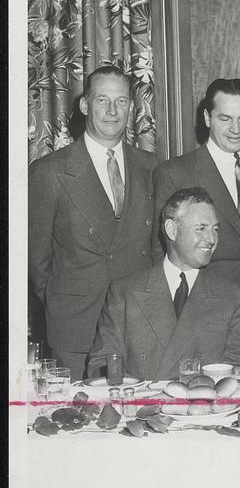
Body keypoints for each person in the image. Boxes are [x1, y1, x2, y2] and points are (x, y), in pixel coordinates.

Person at [28, 65, 158, 381]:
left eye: (122, 101)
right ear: (85, 105)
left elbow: (156, 249)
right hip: (76, 330)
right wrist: (64, 302)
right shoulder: (51, 171)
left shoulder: (152, 167)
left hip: (137, 325)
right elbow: (36, 260)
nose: (113, 111)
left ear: (132, 106)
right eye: (102, 100)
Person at [87, 187, 240, 381]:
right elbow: (101, 367)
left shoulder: (235, 297)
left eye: (215, 229)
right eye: (201, 228)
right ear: (172, 230)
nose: (211, 239)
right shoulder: (124, 293)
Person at [153, 78, 240, 306]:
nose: (235, 129)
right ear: (208, 118)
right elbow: (160, 252)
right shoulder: (175, 173)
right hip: (203, 307)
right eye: (225, 119)